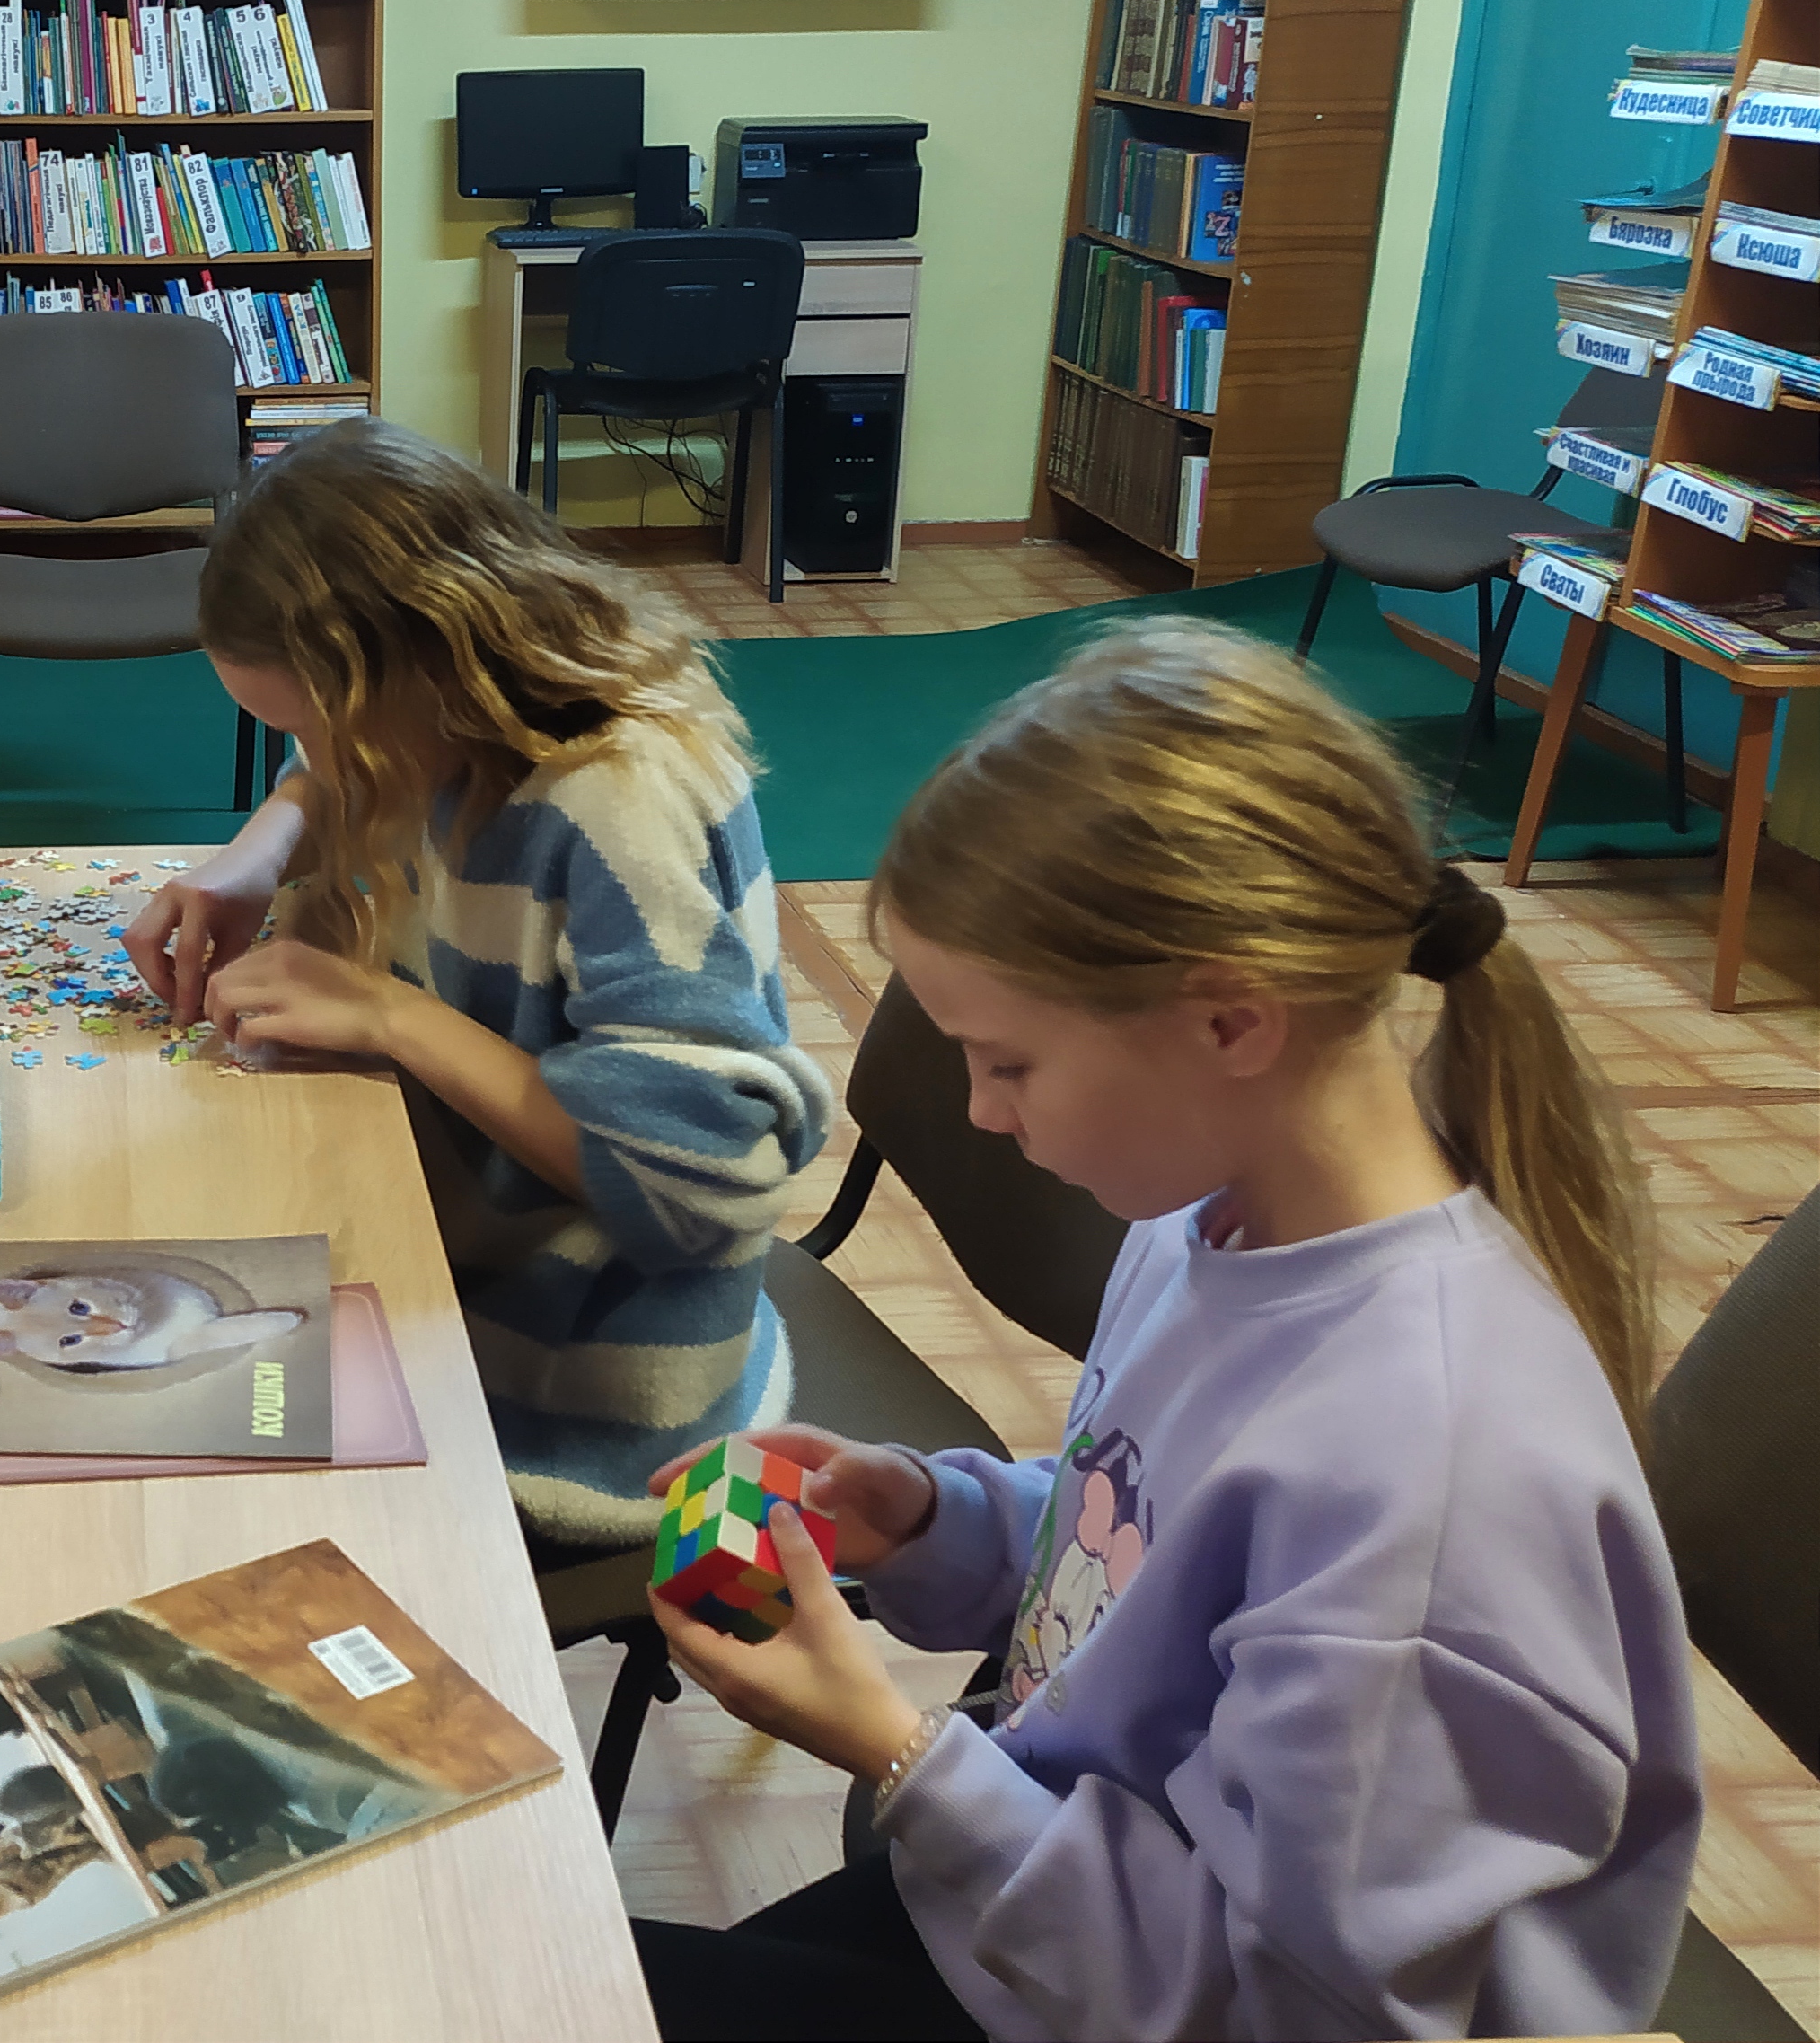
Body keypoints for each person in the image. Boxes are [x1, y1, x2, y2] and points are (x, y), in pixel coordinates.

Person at [630, 621, 1698, 2043]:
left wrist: (896, 1749)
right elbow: (1142, 1549)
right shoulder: (1213, 1219)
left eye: (1006, 1062)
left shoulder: (1433, 1479)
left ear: (1230, 1022)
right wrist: (936, 1520)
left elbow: (1296, 2017)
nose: (980, 1111)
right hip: (1045, 1917)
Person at [126, 420, 831, 1554]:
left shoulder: (622, 800)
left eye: (318, 722)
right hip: (454, 1261)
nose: (315, 756)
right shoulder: (455, 717)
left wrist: (390, 1015)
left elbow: (695, 1184)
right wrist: (255, 858)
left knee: (177, 1489)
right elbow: (327, 774)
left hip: (586, 1399)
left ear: (437, 655)